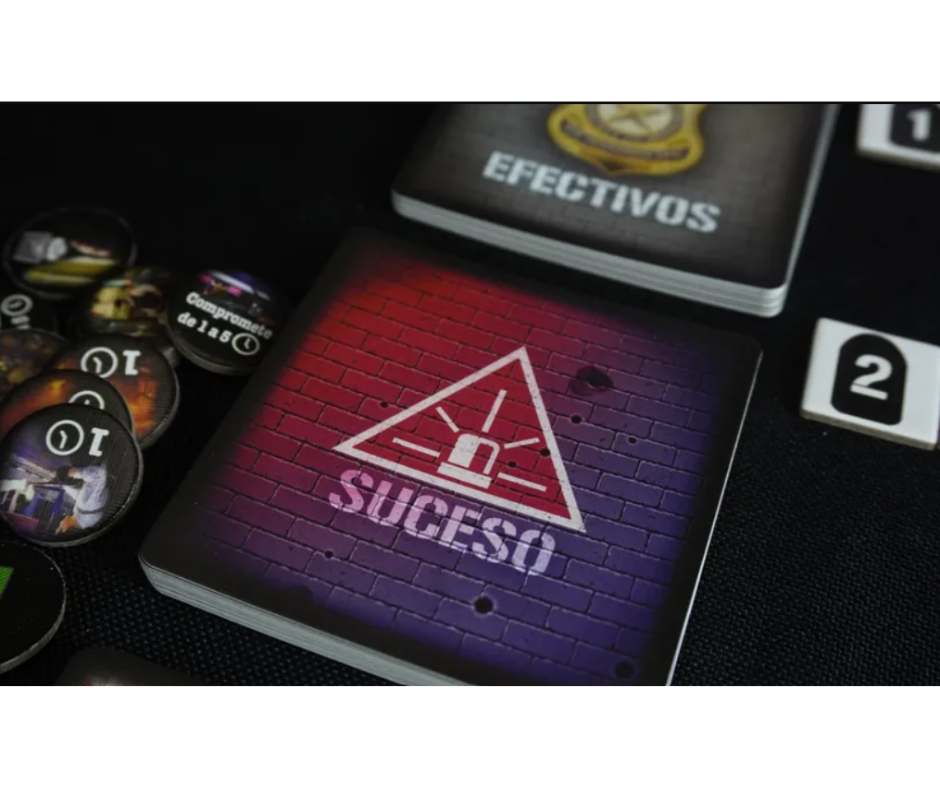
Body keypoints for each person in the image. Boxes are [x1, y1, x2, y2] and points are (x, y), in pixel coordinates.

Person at [53, 465, 110, 534]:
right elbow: (99, 476)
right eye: (60, 527)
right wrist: (75, 473)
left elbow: (76, 495)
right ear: (65, 529)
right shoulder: (86, 507)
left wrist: (64, 482)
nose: (61, 522)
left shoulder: (80, 516)